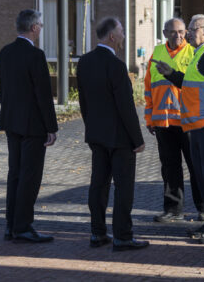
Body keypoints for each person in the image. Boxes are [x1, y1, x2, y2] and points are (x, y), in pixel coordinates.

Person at [153, 14, 204, 244]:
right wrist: (171, 74)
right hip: (197, 128)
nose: (188, 33)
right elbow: (191, 85)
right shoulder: (200, 53)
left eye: (192, 29)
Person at [77, 17, 149, 252]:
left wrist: (91, 127)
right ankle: (123, 236)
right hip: (120, 138)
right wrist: (137, 140)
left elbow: (83, 101)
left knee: (98, 185)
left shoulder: (84, 62)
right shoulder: (116, 66)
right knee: (123, 187)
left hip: (96, 135)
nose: (124, 36)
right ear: (112, 36)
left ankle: (97, 233)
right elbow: (126, 107)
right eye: (121, 31)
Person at [0, 9, 58, 244]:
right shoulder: (36, 55)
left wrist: (9, 112)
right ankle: (22, 226)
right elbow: (43, 94)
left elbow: (1, 88)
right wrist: (51, 127)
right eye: (40, 25)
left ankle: (11, 224)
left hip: (11, 122)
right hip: (33, 125)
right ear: (33, 28)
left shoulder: (5, 52)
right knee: (29, 176)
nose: (41, 29)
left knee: (15, 173)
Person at [145, 18, 204, 223]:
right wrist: (149, 118)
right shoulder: (157, 53)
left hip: (188, 122)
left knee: (196, 166)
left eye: (181, 32)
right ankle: (173, 210)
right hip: (163, 123)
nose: (178, 36)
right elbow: (148, 88)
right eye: (173, 32)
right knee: (170, 168)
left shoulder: (193, 53)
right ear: (164, 33)